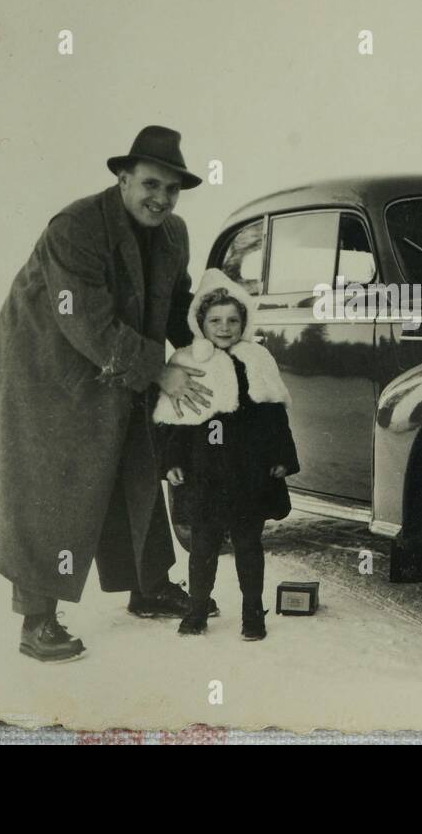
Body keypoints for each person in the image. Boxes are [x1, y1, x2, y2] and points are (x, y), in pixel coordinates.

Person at [0, 125, 216, 663]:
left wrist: (212, 344)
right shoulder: (76, 227)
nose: (161, 199)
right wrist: (158, 370)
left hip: (120, 358)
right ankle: (37, 619)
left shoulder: (174, 235)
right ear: (123, 179)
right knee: (52, 482)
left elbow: (175, 306)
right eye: (150, 184)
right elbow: (85, 321)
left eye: (171, 190)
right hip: (47, 366)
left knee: (137, 460)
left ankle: (148, 587)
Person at [153, 268, 300, 641]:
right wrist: (171, 462)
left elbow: (274, 416)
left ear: (244, 322)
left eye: (233, 320)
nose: (224, 327)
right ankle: (197, 609)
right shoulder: (188, 360)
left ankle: (253, 611)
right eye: (215, 320)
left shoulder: (258, 358)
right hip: (203, 473)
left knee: (249, 542)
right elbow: (175, 420)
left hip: (249, 472)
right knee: (203, 545)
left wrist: (281, 456)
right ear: (200, 322)